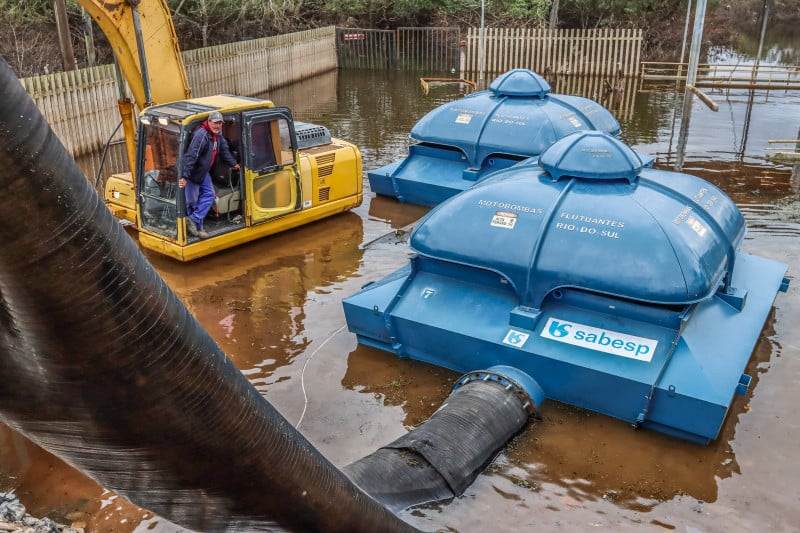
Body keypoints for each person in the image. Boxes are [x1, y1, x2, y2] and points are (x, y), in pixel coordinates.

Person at [179, 111, 240, 238]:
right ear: (209, 121)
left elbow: (223, 149)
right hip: (194, 173)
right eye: (216, 123)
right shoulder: (201, 135)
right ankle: (196, 228)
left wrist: (233, 164)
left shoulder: (217, 135)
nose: (218, 126)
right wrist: (185, 177)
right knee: (192, 202)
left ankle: (195, 222)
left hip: (204, 172)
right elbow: (191, 156)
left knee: (209, 195)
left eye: (220, 124)